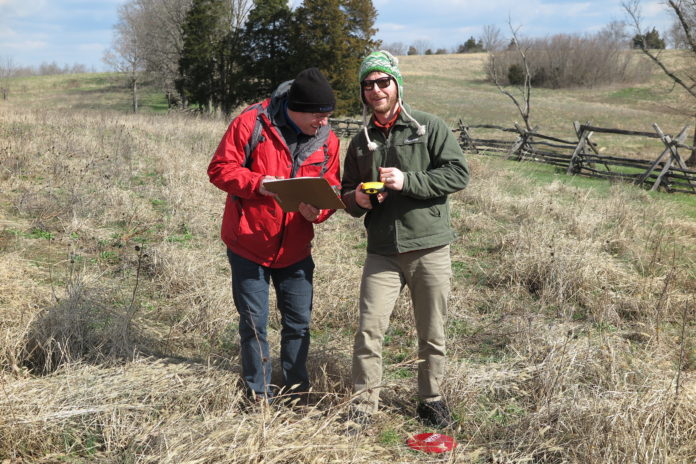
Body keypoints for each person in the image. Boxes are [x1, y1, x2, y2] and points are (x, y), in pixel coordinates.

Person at [340, 50, 469, 428]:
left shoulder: (427, 127)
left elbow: (458, 175)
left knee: (432, 331)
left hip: (429, 246)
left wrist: (408, 181)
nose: (376, 90)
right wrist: (358, 199)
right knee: (369, 329)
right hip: (382, 250)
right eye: (368, 84)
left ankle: (431, 399)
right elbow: (348, 192)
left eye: (383, 82)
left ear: (396, 84)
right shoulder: (360, 142)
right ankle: (363, 407)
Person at [208, 67, 340, 404]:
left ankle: (297, 394)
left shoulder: (328, 140)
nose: (323, 122)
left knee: (298, 324)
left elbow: (332, 186)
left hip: (296, 250)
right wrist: (259, 184)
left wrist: (320, 211)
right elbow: (220, 169)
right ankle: (259, 397)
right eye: (317, 114)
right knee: (255, 326)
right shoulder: (252, 123)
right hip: (249, 243)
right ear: (294, 107)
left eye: (328, 115)